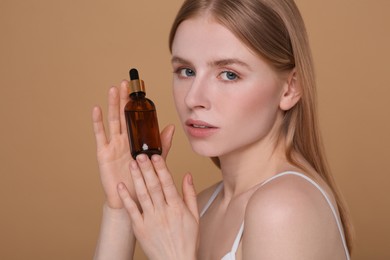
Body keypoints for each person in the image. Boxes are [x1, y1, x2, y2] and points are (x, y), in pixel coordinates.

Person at [92, 0, 353, 259]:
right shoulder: (201, 208)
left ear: (290, 88)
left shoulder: (284, 210)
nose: (193, 98)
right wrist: (122, 207)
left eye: (229, 74)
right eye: (186, 70)